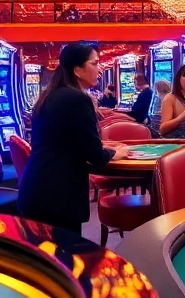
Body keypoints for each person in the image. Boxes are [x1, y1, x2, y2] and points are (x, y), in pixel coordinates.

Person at [18, 42, 128, 232]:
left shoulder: (51, 94)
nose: (99, 69)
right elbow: (96, 156)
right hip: (57, 196)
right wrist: (115, 153)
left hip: (37, 189)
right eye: (95, 63)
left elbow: (67, 142)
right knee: (65, 251)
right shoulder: (76, 98)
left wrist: (103, 147)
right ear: (77, 70)